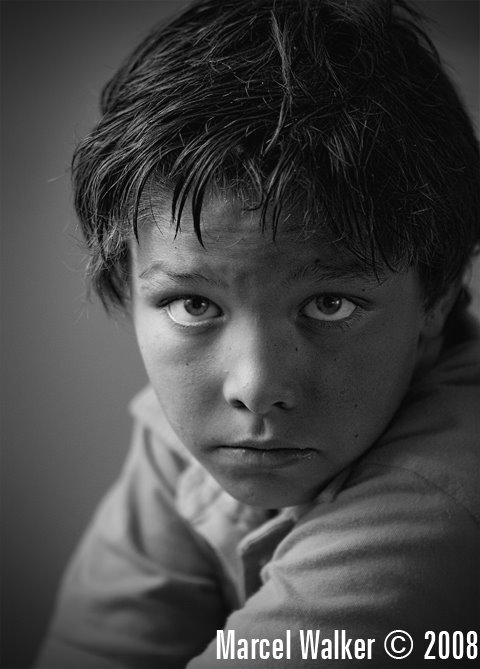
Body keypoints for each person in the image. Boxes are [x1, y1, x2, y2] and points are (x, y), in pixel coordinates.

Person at [36, 0, 480, 667]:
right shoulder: (182, 434)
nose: (255, 386)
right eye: (193, 304)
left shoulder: (441, 497)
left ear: (437, 301)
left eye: (330, 304)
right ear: (129, 286)